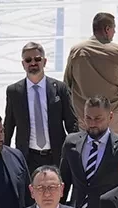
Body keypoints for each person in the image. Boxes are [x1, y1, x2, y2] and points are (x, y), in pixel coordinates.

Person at [59, 96, 118, 208]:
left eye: (98, 119)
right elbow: (63, 183)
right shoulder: (71, 143)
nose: (92, 124)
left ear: (110, 117)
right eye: (88, 118)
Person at [5, 42, 79, 173]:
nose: (33, 63)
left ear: (44, 61)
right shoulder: (14, 91)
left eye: (37, 59)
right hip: (27, 157)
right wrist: (3, 154)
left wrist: (76, 150)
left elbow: (71, 122)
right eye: (28, 60)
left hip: (56, 155)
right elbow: (9, 125)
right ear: (23, 64)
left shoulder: (59, 88)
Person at [64, 12, 118, 136]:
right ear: (107, 29)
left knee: (86, 149)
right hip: (110, 115)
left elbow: (67, 82)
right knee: (112, 150)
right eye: (113, 28)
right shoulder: (116, 52)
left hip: (85, 115)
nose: (114, 32)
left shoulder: (77, 51)